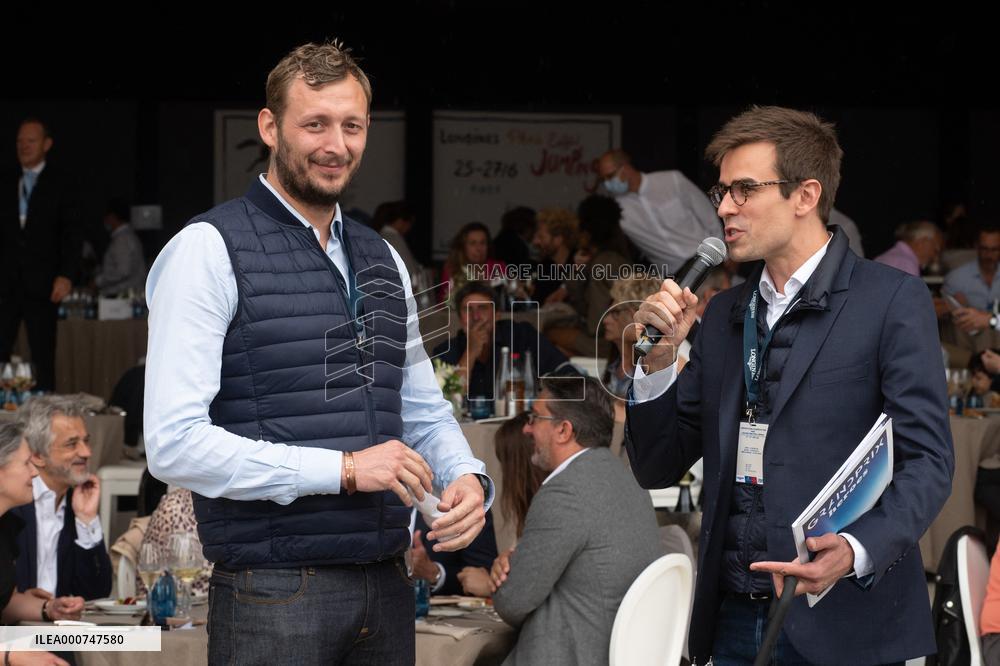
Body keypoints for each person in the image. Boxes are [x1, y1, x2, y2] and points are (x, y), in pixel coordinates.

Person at [143, 41, 491, 664]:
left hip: (387, 584)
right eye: (316, 124)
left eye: (352, 125)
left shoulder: (383, 256)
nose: (337, 144)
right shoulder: (207, 249)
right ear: (270, 127)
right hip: (273, 592)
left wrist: (465, 473)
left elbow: (420, 409)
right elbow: (172, 444)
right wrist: (346, 470)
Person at [624, 106, 953, 664]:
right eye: (722, 191)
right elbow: (656, 466)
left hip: (846, 621)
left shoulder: (890, 301)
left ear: (805, 195)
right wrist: (657, 360)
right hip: (731, 617)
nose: (725, 207)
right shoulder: (726, 313)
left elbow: (929, 462)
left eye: (745, 189)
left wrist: (854, 549)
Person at [490, 376, 662, 665]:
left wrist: (504, 574)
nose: (527, 428)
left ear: (563, 430)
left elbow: (513, 602)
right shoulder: (629, 482)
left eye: (535, 417)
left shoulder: (565, 491)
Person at [0, 118, 81, 391]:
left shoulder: (61, 183)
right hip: (5, 284)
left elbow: (72, 234)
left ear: (47, 144)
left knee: (43, 355)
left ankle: (46, 416)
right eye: (19, 141)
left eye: (31, 140)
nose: (24, 146)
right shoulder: (6, 179)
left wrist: (67, 275)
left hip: (44, 284)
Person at [1, 421, 84, 666]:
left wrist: (48, 608)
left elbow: (5, 601)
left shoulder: (6, 527)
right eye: (27, 463)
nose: (35, 472)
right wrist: (10, 657)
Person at [12, 396, 111, 600]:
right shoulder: (12, 503)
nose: (87, 452)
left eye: (86, 441)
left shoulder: (75, 502)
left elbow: (95, 593)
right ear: (38, 455)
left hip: (58, 631)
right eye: (71, 444)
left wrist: (86, 520)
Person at [596, 148, 721, 274]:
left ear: (626, 168)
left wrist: (725, 257)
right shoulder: (617, 209)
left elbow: (708, 216)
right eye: (603, 179)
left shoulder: (672, 180)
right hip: (672, 275)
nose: (607, 183)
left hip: (705, 260)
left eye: (610, 176)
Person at [432, 282, 566, 398]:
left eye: (483, 308)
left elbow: (565, 373)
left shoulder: (522, 335)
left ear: (497, 315)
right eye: (468, 309)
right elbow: (447, 403)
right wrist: (470, 353)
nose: (476, 317)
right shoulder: (445, 351)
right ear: (461, 318)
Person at [439, 222, 507, 303]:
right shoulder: (452, 270)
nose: (479, 248)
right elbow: (442, 303)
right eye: (473, 243)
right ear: (463, 247)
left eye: (483, 243)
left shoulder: (499, 267)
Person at [93, 198, 146, 296]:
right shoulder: (128, 236)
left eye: (107, 218)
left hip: (122, 296)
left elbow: (123, 271)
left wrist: (98, 282)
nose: (106, 221)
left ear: (112, 217)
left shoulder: (122, 239)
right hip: (129, 294)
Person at [873, 219, 943, 276]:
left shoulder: (886, 256)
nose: (935, 256)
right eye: (935, 249)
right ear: (922, 242)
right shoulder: (906, 263)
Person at [372, 200, 422, 279]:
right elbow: (411, 270)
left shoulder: (378, 236)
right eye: (410, 224)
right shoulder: (394, 238)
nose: (409, 228)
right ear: (401, 221)